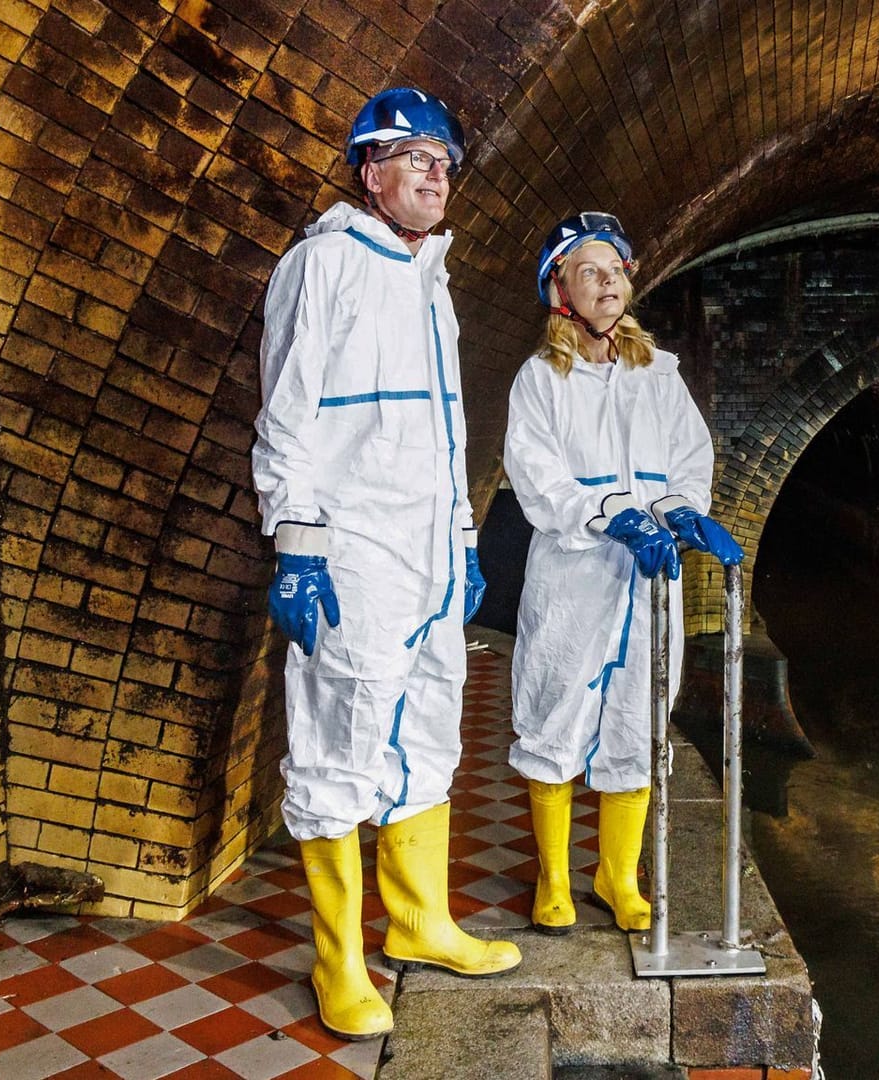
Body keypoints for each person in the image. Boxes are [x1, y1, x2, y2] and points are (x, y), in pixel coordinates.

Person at [251, 86, 520, 1042]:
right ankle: (337, 960)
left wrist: (461, 540)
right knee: (341, 734)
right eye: (415, 156)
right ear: (370, 171)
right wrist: (297, 545)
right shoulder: (323, 266)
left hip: (427, 555)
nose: (437, 172)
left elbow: (446, 433)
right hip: (352, 547)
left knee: (429, 725)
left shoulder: (429, 278)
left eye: (445, 159)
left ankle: (418, 920)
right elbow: (288, 415)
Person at [502, 213, 747, 935]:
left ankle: (616, 875)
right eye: (590, 271)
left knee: (639, 718)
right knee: (553, 715)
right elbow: (537, 477)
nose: (608, 282)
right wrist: (613, 513)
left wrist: (679, 512)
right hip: (575, 574)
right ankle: (552, 878)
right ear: (560, 290)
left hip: (651, 577)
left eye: (615, 268)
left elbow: (684, 462)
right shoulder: (541, 380)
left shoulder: (657, 375)